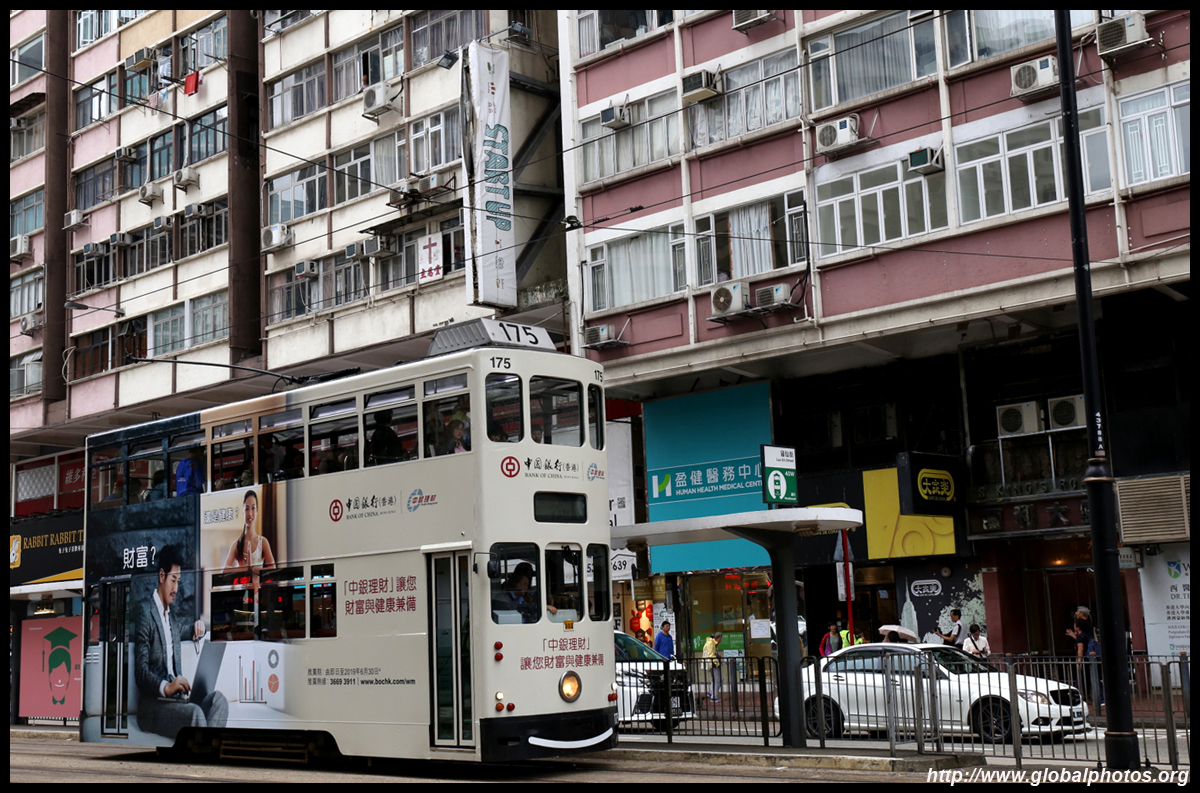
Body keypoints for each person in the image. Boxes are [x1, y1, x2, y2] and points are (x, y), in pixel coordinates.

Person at [134, 544, 228, 737]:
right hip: (155, 706)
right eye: (173, 580)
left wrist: (198, 627)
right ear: (162, 576)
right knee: (194, 713)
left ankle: (204, 747)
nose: (176, 588)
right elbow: (140, 672)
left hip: (177, 701)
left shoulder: (172, 618)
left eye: (179, 582)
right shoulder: (145, 613)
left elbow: (184, 631)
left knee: (219, 701)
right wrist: (166, 687)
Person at [222, 490, 275, 577]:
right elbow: (225, 570)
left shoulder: (262, 542)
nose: (250, 514)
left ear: (257, 510)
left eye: (253, 508)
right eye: (247, 509)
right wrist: (245, 569)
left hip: (257, 586)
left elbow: (272, 568)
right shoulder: (236, 545)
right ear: (243, 512)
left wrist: (253, 569)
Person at [703, 631, 723, 703]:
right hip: (713, 664)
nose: (720, 640)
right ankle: (714, 696)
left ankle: (711, 692)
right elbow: (711, 655)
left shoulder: (712, 642)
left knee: (715, 679)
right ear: (717, 638)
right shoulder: (711, 643)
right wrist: (717, 663)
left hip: (712, 663)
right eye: (720, 639)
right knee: (718, 679)